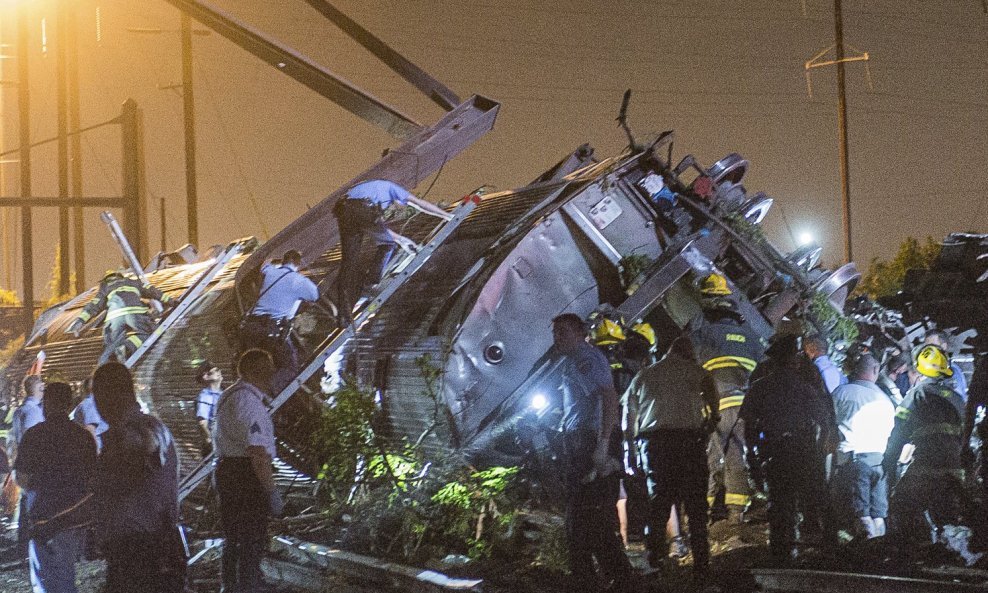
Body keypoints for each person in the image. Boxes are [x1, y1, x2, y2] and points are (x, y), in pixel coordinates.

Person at [550, 313, 635, 591]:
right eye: (555, 333)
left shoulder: (586, 359)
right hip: (581, 443)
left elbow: (607, 397)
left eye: (563, 332)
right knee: (585, 521)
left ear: (580, 333)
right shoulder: (574, 362)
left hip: (590, 444)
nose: (557, 338)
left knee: (585, 519)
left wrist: (602, 445)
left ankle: (606, 580)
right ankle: (606, 579)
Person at [623, 336, 719, 576]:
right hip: (689, 443)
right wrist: (710, 422)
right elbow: (713, 399)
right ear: (688, 353)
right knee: (696, 505)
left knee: (659, 503)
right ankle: (702, 563)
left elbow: (629, 419)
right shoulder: (696, 372)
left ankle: (655, 559)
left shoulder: (643, 376)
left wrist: (631, 455)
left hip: (655, 445)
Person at [740, 337, 836, 563]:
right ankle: (829, 547)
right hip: (803, 449)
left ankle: (781, 552)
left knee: (780, 503)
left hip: (775, 452)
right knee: (819, 498)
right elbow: (824, 420)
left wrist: (753, 458)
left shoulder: (759, 387)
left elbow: (749, 426)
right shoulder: (805, 387)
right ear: (793, 359)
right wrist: (820, 448)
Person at [92, 362, 185, 593]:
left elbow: (147, 445)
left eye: (99, 394)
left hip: (145, 549)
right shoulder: (131, 429)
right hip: (131, 549)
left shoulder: (146, 427)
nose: (98, 403)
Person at [689, 273, 764, 523]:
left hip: (716, 407)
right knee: (736, 456)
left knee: (710, 457)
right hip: (744, 407)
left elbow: (689, 370)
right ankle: (735, 513)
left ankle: (703, 514)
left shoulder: (702, 334)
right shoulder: (752, 337)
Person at [13, 382, 97, 593]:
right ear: (69, 404)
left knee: (47, 579)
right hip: (77, 515)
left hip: (45, 516)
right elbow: (93, 476)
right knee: (65, 572)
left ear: (46, 403)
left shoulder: (34, 436)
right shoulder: (83, 436)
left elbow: (21, 477)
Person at [333, 179, 453, 324]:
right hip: (360, 209)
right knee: (387, 245)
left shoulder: (375, 195)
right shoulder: (393, 189)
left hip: (344, 211)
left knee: (349, 263)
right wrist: (447, 216)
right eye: (400, 206)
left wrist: (402, 240)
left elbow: (380, 229)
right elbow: (420, 204)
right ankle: (372, 282)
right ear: (399, 200)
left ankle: (343, 314)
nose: (396, 209)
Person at [214, 349, 282, 593]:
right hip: (244, 475)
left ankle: (233, 584)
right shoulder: (249, 402)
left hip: (228, 470)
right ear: (259, 371)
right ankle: (248, 585)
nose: (273, 372)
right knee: (251, 533)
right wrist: (271, 490)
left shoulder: (230, 395)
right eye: (269, 367)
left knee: (234, 535)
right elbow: (257, 452)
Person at [884, 344, 966, 544]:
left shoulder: (917, 394)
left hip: (927, 465)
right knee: (946, 516)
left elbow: (899, 431)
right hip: (954, 469)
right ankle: (947, 554)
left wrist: (888, 460)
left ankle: (914, 550)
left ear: (917, 372)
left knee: (901, 503)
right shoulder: (956, 398)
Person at [830, 354, 895, 539]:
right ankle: (880, 553)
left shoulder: (842, 393)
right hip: (879, 463)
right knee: (878, 514)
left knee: (861, 513)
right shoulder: (885, 400)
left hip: (855, 461)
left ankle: (865, 554)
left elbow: (829, 424)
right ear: (875, 370)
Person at [240, 250, 319, 391]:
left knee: (256, 365)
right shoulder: (298, 280)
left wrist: (270, 258)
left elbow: (263, 265)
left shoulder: (270, 271)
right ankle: (268, 390)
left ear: (283, 261)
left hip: (252, 327)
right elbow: (315, 295)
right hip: (271, 332)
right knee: (290, 367)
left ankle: (253, 388)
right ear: (298, 264)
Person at [66, 270, 172, 365]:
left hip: (114, 319)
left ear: (106, 280)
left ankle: (107, 367)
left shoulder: (105, 287)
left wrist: (80, 321)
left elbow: (95, 304)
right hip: (135, 313)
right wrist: (171, 301)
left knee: (111, 346)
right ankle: (127, 347)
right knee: (150, 333)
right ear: (121, 277)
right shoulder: (133, 282)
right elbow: (153, 291)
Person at [9, 374, 45, 549]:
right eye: (41, 384)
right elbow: (33, 439)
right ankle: (30, 539)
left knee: (26, 500)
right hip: (33, 463)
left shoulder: (20, 410)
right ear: (35, 388)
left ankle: (23, 539)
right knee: (33, 500)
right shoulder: (33, 411)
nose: (44, 387)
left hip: (22, 462)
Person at [924, 329, 968, 400]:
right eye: (926, 348)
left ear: (944, 346)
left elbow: (957, 401)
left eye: (932, 346)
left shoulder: (952, 372)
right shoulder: (926, 371)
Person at [71, 377, 108, 453]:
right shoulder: (90, 403)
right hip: (99, 446)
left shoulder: (87, 403)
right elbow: (91, 429)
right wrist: (97, 452)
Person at [195, 361, 223, 456]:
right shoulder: (205, 396)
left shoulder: (223, 392)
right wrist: (211, 440)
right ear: (205, 377)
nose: (218, 372)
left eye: (218, 370)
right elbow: (203, 423)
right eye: (214, 371)